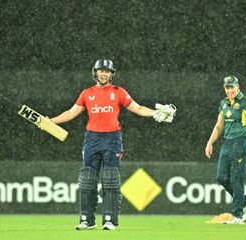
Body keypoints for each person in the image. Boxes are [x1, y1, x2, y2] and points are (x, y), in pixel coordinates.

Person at [50, 59, 176, 230]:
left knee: (110, 180)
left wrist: (155, 113)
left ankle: (110, 220)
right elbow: (72, 113)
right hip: (91, 140)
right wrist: (50, 122)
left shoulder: (119, 92)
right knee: (87, 180)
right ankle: (86, 219)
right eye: (101, 71)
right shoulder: (87, 93)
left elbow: (138, 108)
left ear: (111, 74)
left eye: (107, 71)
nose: (104, 74)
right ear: (95, 72)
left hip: (112, 139)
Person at [205, 75, 246, 224]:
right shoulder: (223, 103)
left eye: (232, 87)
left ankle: (237, 216)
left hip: (241, 141)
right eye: (227, 88)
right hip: (227, 143)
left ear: (238, 87)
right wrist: (210, 143)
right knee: (221, 178)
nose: (230, 90)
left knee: (236, 178)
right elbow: (219, 126)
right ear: (224, 89)